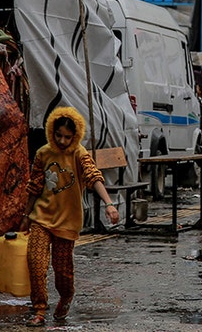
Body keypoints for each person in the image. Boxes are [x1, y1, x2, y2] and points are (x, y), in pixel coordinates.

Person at [19, 106, 120, 326]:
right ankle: (39, 310)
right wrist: (26, 215)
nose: (63, 141)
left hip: (67, 222)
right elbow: (35, 186)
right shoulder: (43, 154)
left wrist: (109, 204)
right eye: (58, 135)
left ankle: (66, 298)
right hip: (41, 218)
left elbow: (93, 177)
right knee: (35, 263)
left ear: (75, 136)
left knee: (62, 272)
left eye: (67, 137)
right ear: (51, 132)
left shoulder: (79, 153)